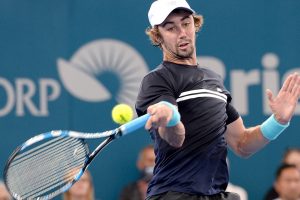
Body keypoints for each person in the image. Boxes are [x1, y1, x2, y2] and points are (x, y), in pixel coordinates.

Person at [135, 0, 300, 199]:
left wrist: (278, 121)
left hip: (215, 194)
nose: (182, 33)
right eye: (171, 28)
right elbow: (175, 138)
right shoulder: (156, 80)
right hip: (174, 194)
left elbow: (242, 143)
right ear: (157, 36)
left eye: (186, 23)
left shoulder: (213, 79)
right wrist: (170, 118)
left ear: (195, 25)